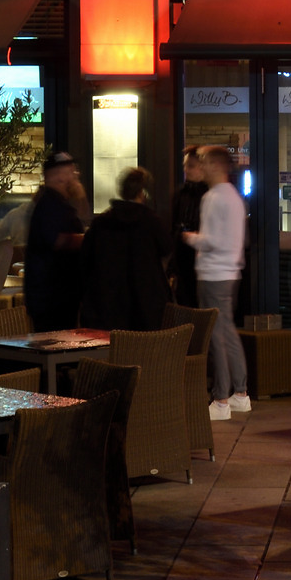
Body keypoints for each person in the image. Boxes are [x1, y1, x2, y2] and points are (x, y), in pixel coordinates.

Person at [180, 144, 249, 419]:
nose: (201, 167)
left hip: (212, 274)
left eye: (205, 162)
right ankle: (240, 394)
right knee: (228, 332)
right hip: (230, 273)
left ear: (216, 166)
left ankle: (221, 400)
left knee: (215, 337)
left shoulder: (212, 197)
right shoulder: (234, 197)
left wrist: (190, 238)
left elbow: (212, 240)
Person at [79, 167, 176, 331]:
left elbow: (85, 260)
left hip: (107, 304)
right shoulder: (151, 222)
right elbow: (167, 249)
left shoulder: (101, 223)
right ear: (142, 193)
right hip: (146, 304)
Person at [24, 151, 88, 332]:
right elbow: (57, 240)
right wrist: (90, 238)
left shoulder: (58, 204)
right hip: (51, 299)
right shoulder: (49, 205)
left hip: (57, 296)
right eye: (72, 171)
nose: (76, 175)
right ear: (59, 176)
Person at [166, 146, 208, 305]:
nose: (186, 170)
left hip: (200, 258)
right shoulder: (181, 193)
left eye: (190, 166)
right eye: (185, 165)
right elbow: (173, 226)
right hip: (183, 258)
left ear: (202, 167)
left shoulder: (209, 195)